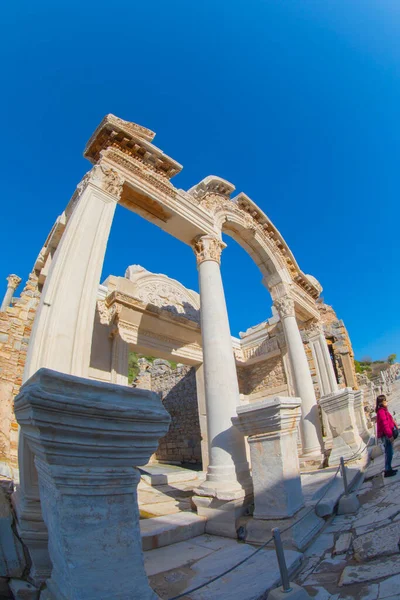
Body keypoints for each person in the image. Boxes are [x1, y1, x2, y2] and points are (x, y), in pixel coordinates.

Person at [376, 394, 398, 478]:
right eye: (385, 401)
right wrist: (390, 435)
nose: (386, 402)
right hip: (386, 435)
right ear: (382, 402)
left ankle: (389, 468)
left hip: (387, 434)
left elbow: (390, 420)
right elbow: (385, 425)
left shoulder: (384, 410)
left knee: (390, 452)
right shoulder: (381, 412)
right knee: (389, 453)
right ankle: (387, 470)